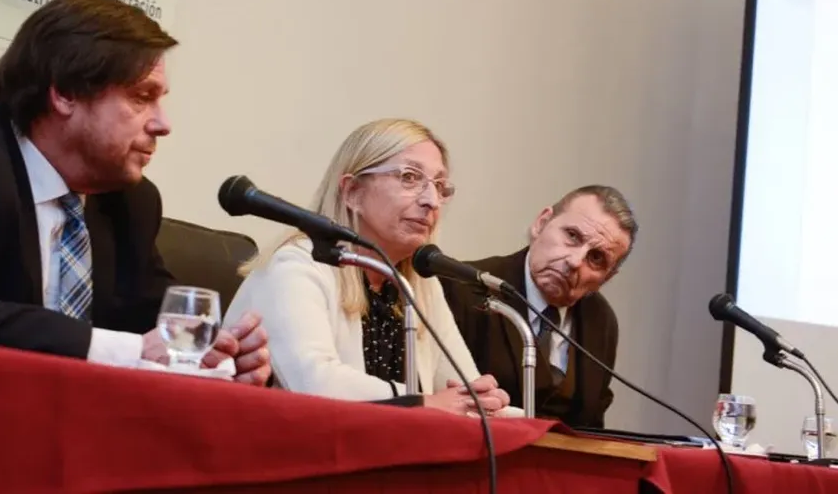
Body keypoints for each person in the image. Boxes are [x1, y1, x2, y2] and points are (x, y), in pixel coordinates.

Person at [0, 0, 270, 386]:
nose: (163, 123)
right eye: (142, 97)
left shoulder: (129, 202)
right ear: (65, 93)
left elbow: (155, 322)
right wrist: (132, 351)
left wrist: (218, 357)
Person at [223, 118, 511, 416]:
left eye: (439, 186)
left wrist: (491, 403)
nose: (432, 201)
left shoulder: (419, 284)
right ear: (352, 192)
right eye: (410, 178)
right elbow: (315, 383)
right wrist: (426, 402)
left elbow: (464, 391)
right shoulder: (295, 264)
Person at [440, 185, 636, 428]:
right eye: (572, 236)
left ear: (607, 278)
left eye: (596, 258)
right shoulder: (463, 288)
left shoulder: (601, 321)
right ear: (541, 223)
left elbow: (592, 424)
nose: (575, 261)